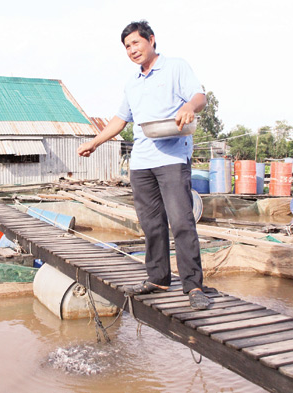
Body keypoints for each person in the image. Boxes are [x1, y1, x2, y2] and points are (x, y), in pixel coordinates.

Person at [77, 20, 212, 310]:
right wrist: (95, 141)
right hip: (141, 162)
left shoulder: (176, 67)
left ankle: (193, 285)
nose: (132, 50)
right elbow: (120, 119)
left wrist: (189, 107)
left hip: (173, 158)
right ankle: (159, 278)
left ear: (151, 40)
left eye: (136, 43)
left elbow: (199, 96)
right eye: (126, 47)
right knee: (151, 224)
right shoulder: (133, 82)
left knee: (182, 223)